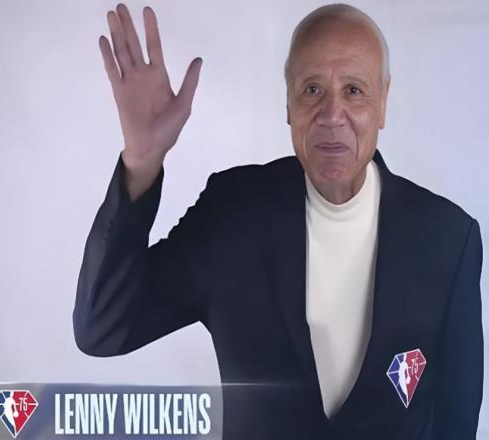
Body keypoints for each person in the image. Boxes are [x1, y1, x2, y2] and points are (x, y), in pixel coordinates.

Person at [73, 3, 484, 439]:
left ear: (382, 102)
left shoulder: (448, 239)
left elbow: (456, 420)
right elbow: (103, 328)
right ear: (288, 102)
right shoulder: (232, 214)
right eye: (312, 89)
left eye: (353, 90)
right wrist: (141, 162)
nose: (332, 114)